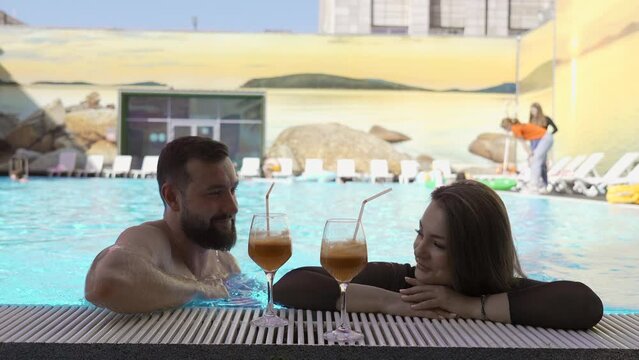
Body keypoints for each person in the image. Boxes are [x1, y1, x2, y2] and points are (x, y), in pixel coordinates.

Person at [273, 180, 603, 330]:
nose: (419, 249)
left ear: (477, 253)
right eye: (420, 234)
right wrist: (392, 303)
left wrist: (467, 306)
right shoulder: (401, 282)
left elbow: (584, 304)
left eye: (438, 245)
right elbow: (291, 286)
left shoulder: (504, 291)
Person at [85, 136, 240, 313]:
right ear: (172, 197)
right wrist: (203, 290)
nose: (233, 207)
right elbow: (106, 283)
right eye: (215, 193)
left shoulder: (226, 264)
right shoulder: (151, 240)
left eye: (233, 190)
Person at [500, 117, 552, 193]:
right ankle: (543, 185)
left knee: (535, 162)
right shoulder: (518, 126)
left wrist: (530, 153)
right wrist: (530, 153)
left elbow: (523, 143)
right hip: (546, 137)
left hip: (544, 138)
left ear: (507, 126)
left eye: (505, 129)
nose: (506, 131)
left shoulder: (515, 128)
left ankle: (534, 186)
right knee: (541, 164)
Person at [529, 103, 558, 186]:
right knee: (534, 162)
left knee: (542, 164)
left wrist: (548, 135)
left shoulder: (546, 119)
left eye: (534, 110)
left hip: (542, 142)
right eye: (531, 111)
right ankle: (536, 183)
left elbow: (555, 129)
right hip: (534, 142)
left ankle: (544, 183)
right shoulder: (531, 120)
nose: (532, 112)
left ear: (538, 109)